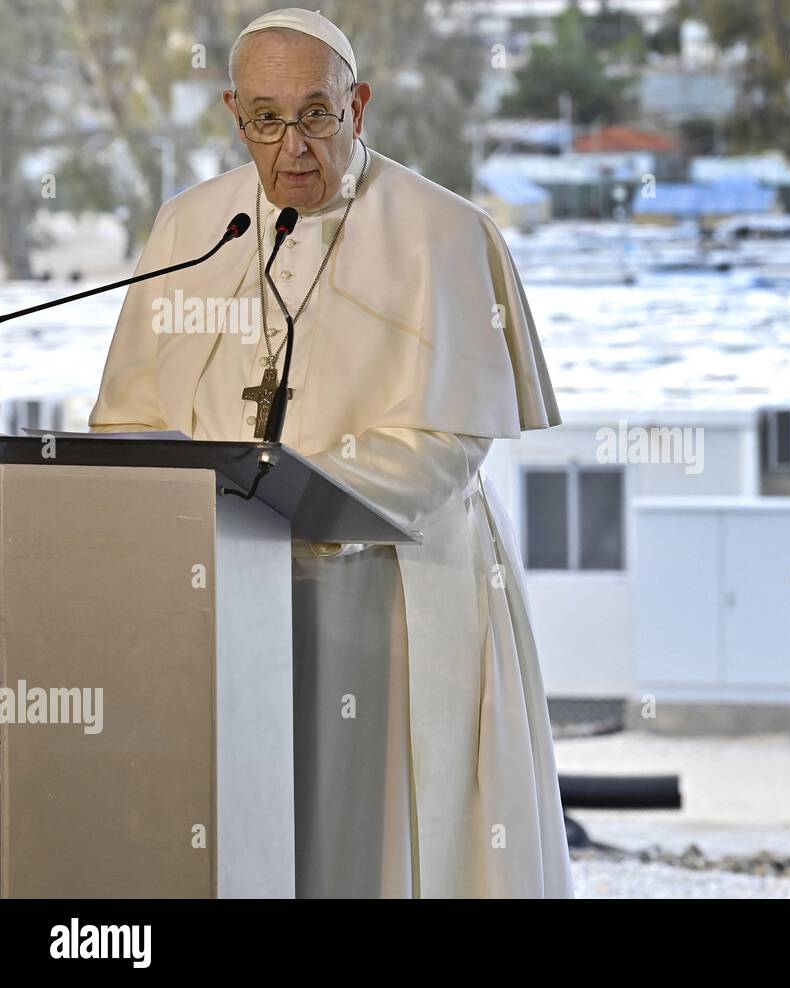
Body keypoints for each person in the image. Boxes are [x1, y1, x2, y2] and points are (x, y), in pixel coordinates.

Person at [88, 8, 573, 898]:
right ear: (235, 114)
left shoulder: (443, 233)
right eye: (266, 119)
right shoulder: (192, 227)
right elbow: (129, 422)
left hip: (390, 586)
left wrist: (293, 495)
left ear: (361, 104)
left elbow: (449, 443)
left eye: (318, 114)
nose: (294, 145)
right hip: (221, 597)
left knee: (377, 836)